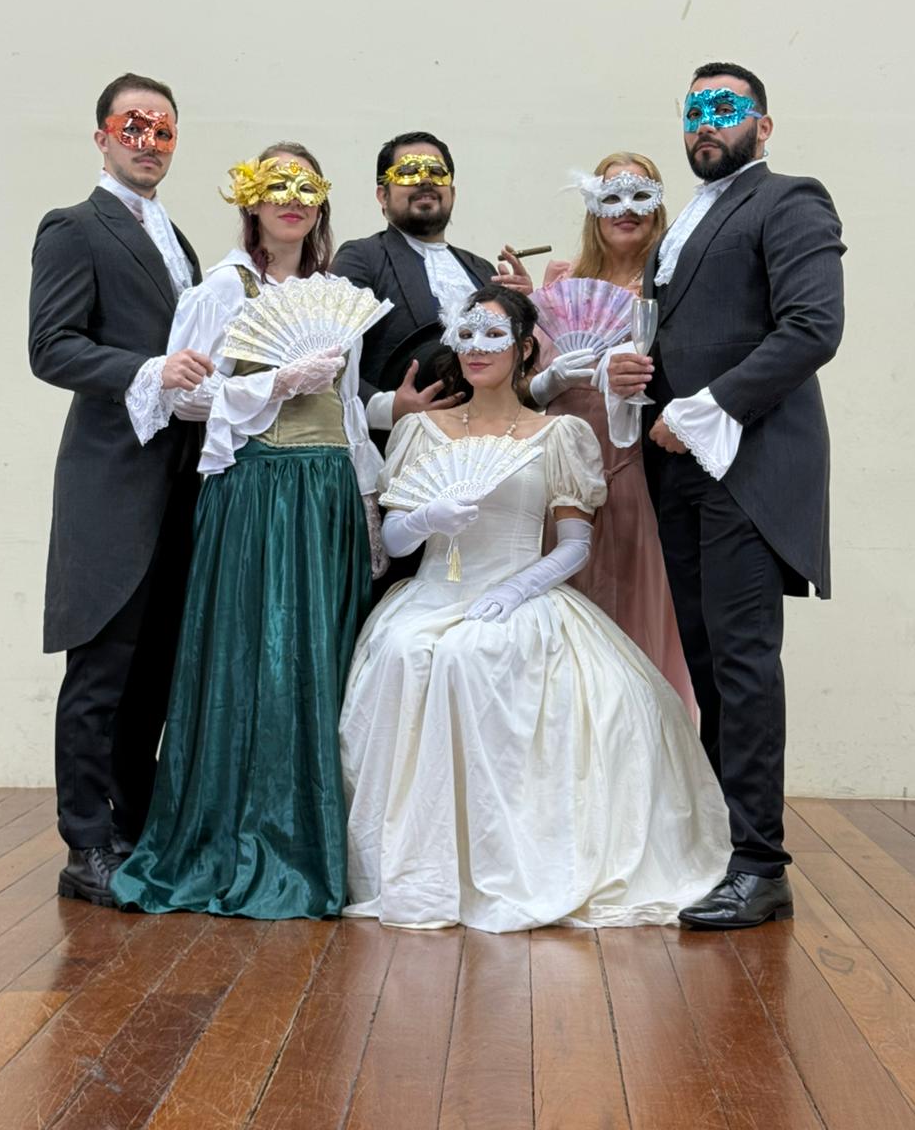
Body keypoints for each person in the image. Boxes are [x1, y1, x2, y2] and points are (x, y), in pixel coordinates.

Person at [339, 286, 730, 932]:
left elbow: (575, 544)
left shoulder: (558, 435)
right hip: (431, 592)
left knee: (474, 655)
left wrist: (515, 591)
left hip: (518, 590)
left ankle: (504, 856)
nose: (476, 349)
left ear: (524, 349)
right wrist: (429, 517)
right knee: (405, 653)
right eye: (466, 334)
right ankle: (417, 865)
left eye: (493, 335)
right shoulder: (419, 430)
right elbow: (398, 539)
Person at [111, 143, 382, 919]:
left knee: (322, 661)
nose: (291, 199)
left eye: (305, 186)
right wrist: (274, 382)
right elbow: (181, 399)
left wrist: (368, 502)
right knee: (257, 658)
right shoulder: (222, 290)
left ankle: (324, 841)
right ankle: (246, 836)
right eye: (276, 185)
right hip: (258, 492)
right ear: (252, 201)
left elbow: (349, 409)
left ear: (321, 203)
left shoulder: (337, 297)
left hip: (328, 493)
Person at [606, 62, 845, 929]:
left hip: (747, 464)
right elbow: (682, 335)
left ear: (762, 126)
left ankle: (760, 866)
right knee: (707, 661)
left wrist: (704, 408)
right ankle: (722, 846)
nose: (706, 123)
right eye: (693, 110)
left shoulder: (789, 200)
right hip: (679, 469)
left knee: (743, 665)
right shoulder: (686, 223)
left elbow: (813, 327)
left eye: (725, 107)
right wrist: (635, 375)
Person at [29, 72, 210, 907]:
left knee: (155, 673)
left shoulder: (181, 240)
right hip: (110, 482)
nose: (148, 142)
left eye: (162, 130)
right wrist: (150, 369)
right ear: (102, 136)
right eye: (133, 126)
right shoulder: (74, 227)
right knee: (100, 671)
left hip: (180, 483)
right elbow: (52, 347)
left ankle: (133, 832)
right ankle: (85, 845)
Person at [524, 153, 694, 714]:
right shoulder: (562, 283)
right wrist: (547, 373)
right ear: (593, 207)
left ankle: (644, 747)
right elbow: (524, 390)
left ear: (658, 207)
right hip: (561, 473)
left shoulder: (673, 286)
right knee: (563, 618)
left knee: (640, 613)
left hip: (639, 468)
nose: (626, 210)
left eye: (640, 196)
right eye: (611, 197)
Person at [332, 131, 532, 435]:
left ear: (452, 192)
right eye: (408, 172)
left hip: (487, 439)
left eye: (437, 172)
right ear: (382, 195)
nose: (425, 180)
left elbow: (509, 362)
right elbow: (331, 358)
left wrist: (527, 309)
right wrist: (388, 408)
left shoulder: (482, 269)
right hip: (397, 441)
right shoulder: (362, 257)